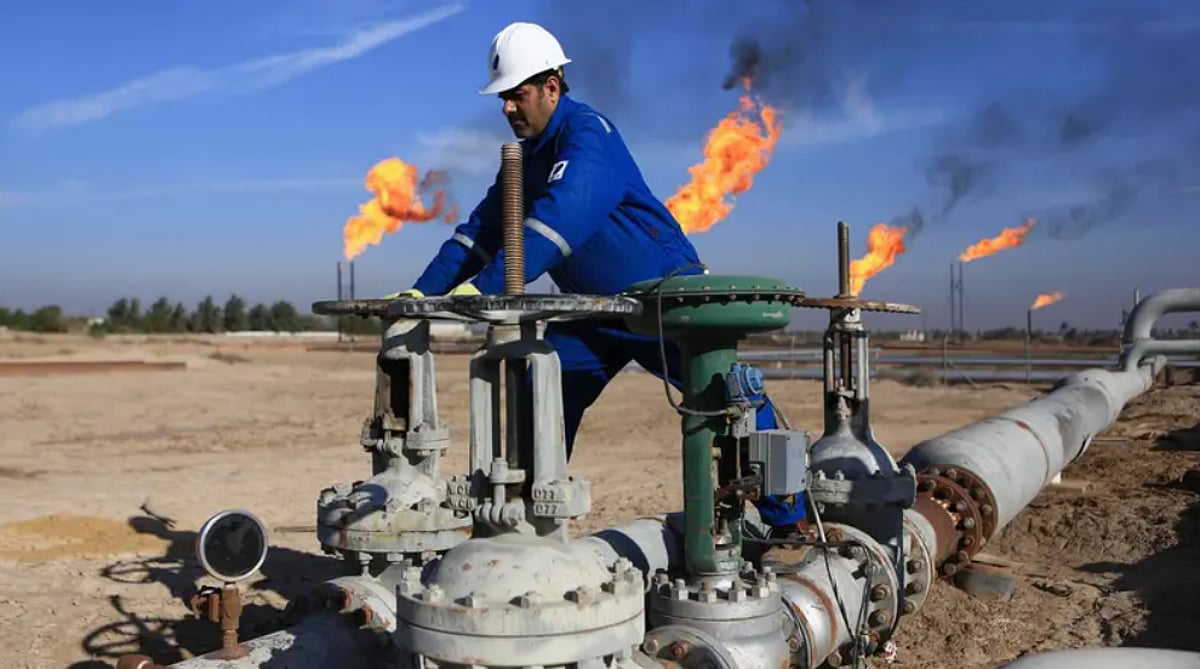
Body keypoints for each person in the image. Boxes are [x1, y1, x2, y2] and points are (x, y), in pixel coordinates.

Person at [387, 21, 803, 528]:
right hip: (594, 315)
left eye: (517, 95)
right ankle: (526, 523)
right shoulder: (524, 160)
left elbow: (562, 219)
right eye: (502, 99)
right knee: (541, 394)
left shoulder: (588, 135)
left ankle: (791, 522)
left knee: (728, 399)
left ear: (552, 86)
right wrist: (422, 292)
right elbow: (480, 234)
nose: (507, 109)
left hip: (661, 303)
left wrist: (484, 288)